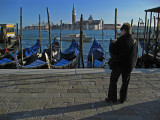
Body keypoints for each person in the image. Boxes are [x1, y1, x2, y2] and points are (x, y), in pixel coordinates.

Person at [106, 23, 138, 103]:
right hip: (129, 65)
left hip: (119, 64)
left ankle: (112, 98)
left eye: (121, 31)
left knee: (113, 80)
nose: (120, 33)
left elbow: (112, 50)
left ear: (123, 30)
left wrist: (113, 42)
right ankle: (123, 98)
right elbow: (136, 53)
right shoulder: (134, 40)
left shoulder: (121, 39)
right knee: (125, 82)